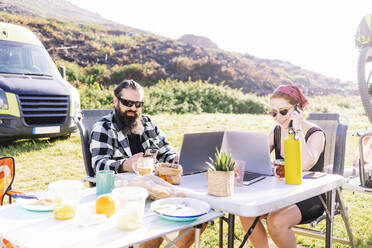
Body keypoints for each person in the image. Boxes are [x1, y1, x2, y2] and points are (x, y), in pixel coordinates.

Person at [89, 79, 204, 248]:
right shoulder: (103, 127)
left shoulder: (148, 123)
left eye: (138, 104)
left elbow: (166, 150)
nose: (133, 109)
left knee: (199, 216)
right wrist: (126, 164)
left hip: (158, 189)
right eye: (128, 103)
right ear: (116, 101)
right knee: (159, 225)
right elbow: (98, 164)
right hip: (127, 196)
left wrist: (174, 159)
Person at [239, 85, 326, 248]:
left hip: (311, 196)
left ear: (297, 109)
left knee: (276, 221)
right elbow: (255, 158)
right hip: (282, 193)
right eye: (273, 113)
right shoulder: (277, 132)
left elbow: (306, 165)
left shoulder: (315, 133)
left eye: (283, 111)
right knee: (247, 212)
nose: (278, 117)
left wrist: (297, 129)